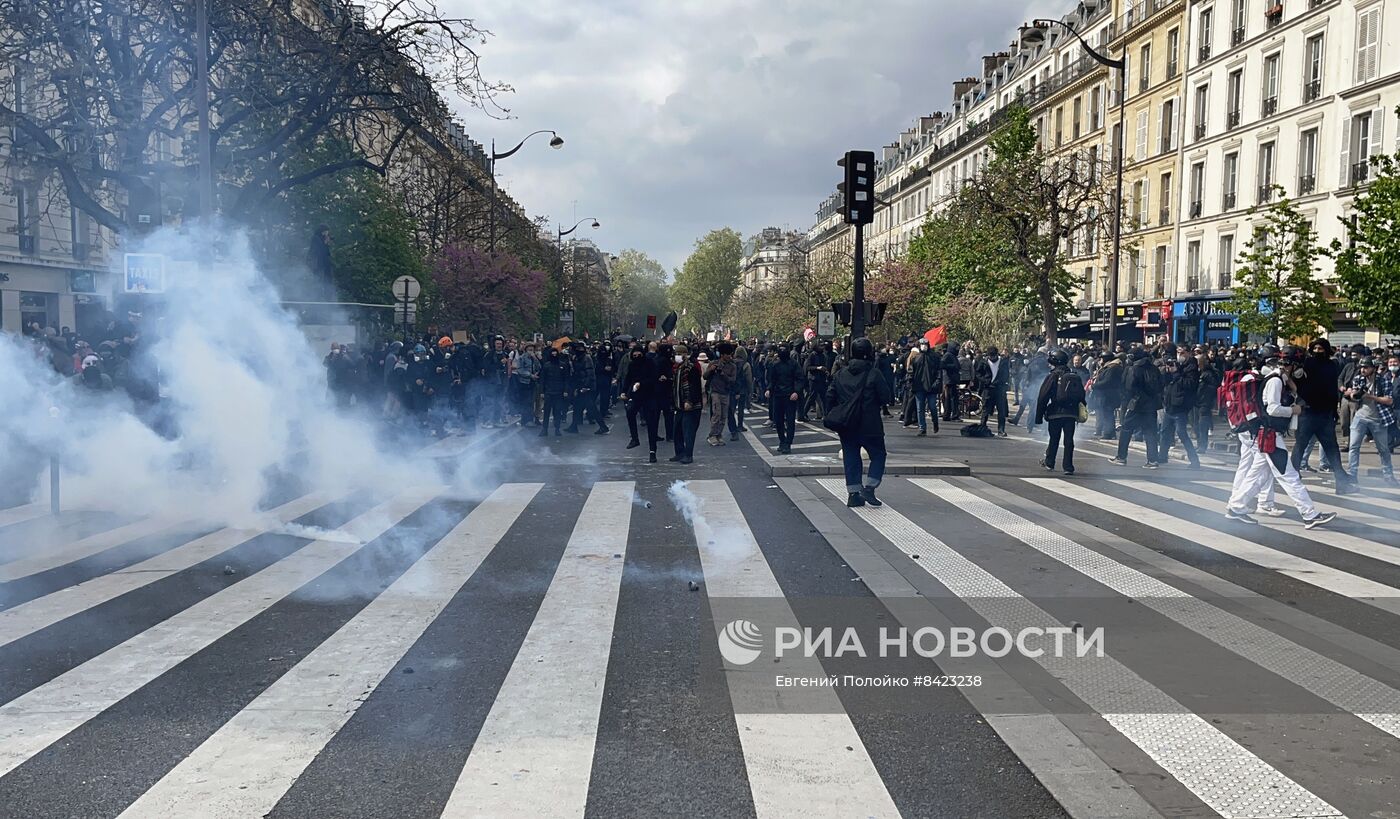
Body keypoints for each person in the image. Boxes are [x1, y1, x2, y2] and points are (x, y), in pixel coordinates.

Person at [1225, 346, 1336, 527]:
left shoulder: (1279, 379)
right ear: (1292, 364)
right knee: (1289, 475)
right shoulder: (1275, 381)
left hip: (1267, 435)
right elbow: (1273, 409)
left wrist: (1292, 387)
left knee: (1257, 474)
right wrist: (1294, 410)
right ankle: (1309, 514)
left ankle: (1236, 507)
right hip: (1270, 435)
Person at [827, 337, 895, 508]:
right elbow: (885, 396)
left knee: (851, 456)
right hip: (869, 422)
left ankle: (853, 493)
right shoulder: (874, 373)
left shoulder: (841, 373)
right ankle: (870, 487)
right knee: (878, 455)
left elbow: (830, 395)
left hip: (847, 423)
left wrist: (838, 410)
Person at [1344, 356, 1397, 487]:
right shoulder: (1358, 379)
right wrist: (1351, 394)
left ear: (1373, 368)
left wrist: (1370, 396)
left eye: (1366, 367)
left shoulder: (1383, 380)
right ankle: (1352, 474)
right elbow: (1353, 396)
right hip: (1361, 416)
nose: (1363, 370)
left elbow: (1389, 400)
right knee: (1353, 446)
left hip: (1379, 418)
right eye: (1361, 367)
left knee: (1383, 449)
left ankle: (1388, 475)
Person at [1111, 348, 1162, 468]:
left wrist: (1127, 400)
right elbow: (1160, 384)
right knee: (1150, 433)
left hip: (1137, 404)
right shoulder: (1154, 368)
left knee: (1126, 430)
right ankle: (1153, 460)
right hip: (1152, 405)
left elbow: (1129, 387)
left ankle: (1121, 457)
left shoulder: (1133, 368)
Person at [1036, 349, 1084, 476]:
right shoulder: (1074, 375)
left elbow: (1043, 396)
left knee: (1054, 438)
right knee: (1069, 440)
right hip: (1071, 413)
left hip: (1056, 412)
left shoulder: (1053, 376)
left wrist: (1039, 416)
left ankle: (1050, 462)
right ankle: (1068, 466)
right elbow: (1082, 396)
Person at [1159, 344, 1202, 469]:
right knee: (1165, 431)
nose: (1179, 355)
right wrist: (1168, 372)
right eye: (1178, 353)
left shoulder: (1191, 367)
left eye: (1182, 353)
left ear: (1188, 353)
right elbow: (1168, 382)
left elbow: (1189, 384)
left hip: (1181, 405)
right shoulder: (1178, 365)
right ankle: (1162, 456)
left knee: (1181, 433)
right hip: (1170, 403)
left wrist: (1177, 373)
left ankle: (1194, 461)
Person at [670, 344, 704, 464]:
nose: (677, 356)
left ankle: (688, 455)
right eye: (676, 354)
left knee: (688, 431)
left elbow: (695, 387)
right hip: (679, 405)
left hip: (691, 405)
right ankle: (679, 453)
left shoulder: (691, 368)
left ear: (685, 354)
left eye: (679, 354)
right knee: (677, 431)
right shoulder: (677, 368)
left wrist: (690, 401)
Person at [766, 345, 802, 454]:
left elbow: (799, 379)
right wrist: (769, 389)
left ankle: (788, 443)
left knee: (790, 420)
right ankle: (782, 441)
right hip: (778, 395)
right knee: (778, 420)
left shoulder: (794, 364)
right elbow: (772, 380)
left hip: (790, 395)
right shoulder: (775, 365)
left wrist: (796, 391)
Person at [974, 345, 1011, 436]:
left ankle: (1001, 430)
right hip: (988, 389)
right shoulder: (983, 362)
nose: (992, 358)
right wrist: (985, 381)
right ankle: (983, 426)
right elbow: (978, 373)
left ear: (996, 354)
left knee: (1001, 410)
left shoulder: (1002, 362)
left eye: (994, 356)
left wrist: (1002, 382)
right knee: (985, 409)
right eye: (990, 356)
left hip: (999, 389)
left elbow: (1006, 374)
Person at [706, 344, 737, 446]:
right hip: (715, 392)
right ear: (722, 355)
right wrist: (711, 369)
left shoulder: (732, 366)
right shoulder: (714, 363)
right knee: (717, 414)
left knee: (723, 416)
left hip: (726, 392)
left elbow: (733, 380)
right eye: (727, 354)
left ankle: (719, 434)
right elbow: (705, 376)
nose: (729, 356)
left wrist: (723, 374)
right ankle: (712, 435)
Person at [909, 338, 941, 436]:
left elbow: (939, 371)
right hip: (919, 386)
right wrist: (910, 380)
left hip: (932, 387)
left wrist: (937, 382)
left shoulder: (934, 357)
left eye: (926, 344)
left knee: (932, 407)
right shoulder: (916, 358)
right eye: (922, 344)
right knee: (920, 408)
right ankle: (922, 428)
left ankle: (935, 422)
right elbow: (911, 371)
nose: (924, 346)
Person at [538, 345, 570, 437]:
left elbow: (566, 379)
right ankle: (544, 429)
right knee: (547, 412)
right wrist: (542, 392)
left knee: (557, 412)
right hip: (548, 392)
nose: (554, 355)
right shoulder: (546, 366)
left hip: (559, 392)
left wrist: (565, 390)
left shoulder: (562, 365)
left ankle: (557, 429)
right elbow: (542, 379)